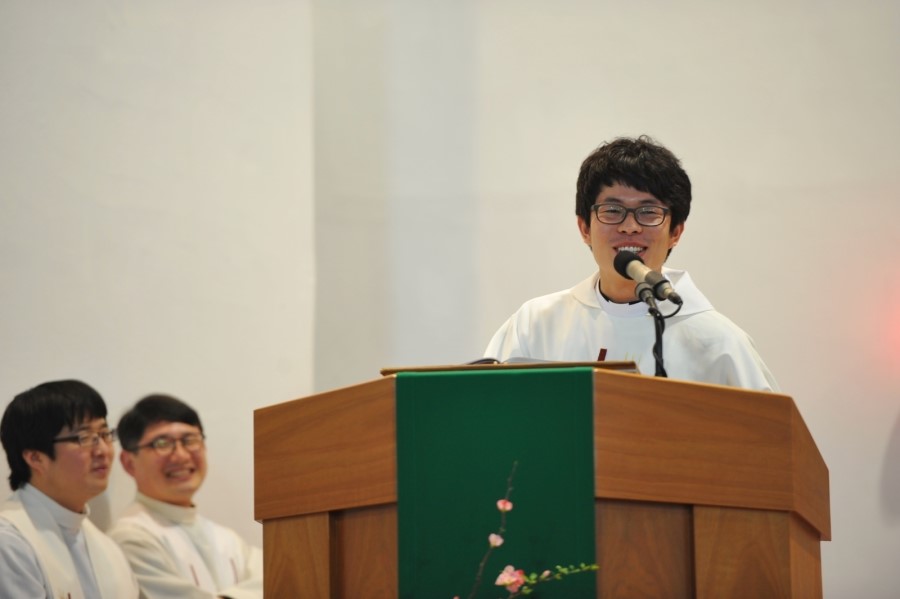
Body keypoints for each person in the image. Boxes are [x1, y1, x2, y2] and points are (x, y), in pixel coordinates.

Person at [484, 135, 779, 391]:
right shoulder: (535, 325)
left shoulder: (718, 342)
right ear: (584, 228)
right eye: (612, 210)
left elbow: (773, 435)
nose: (629, 227)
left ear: (675, 232)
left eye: (648, 212)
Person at [109, 394, 262, 599]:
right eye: (162, 443)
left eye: (189, 440)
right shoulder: (130, 538)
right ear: (128, 462)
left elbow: (279, 579)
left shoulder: (229, 540)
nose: (181, 455)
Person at [0, 379, 140, 599]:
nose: (103, 450)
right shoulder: (9, 543)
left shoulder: (109, 549)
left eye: (105, 434)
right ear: (35, 458)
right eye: (84, 438)